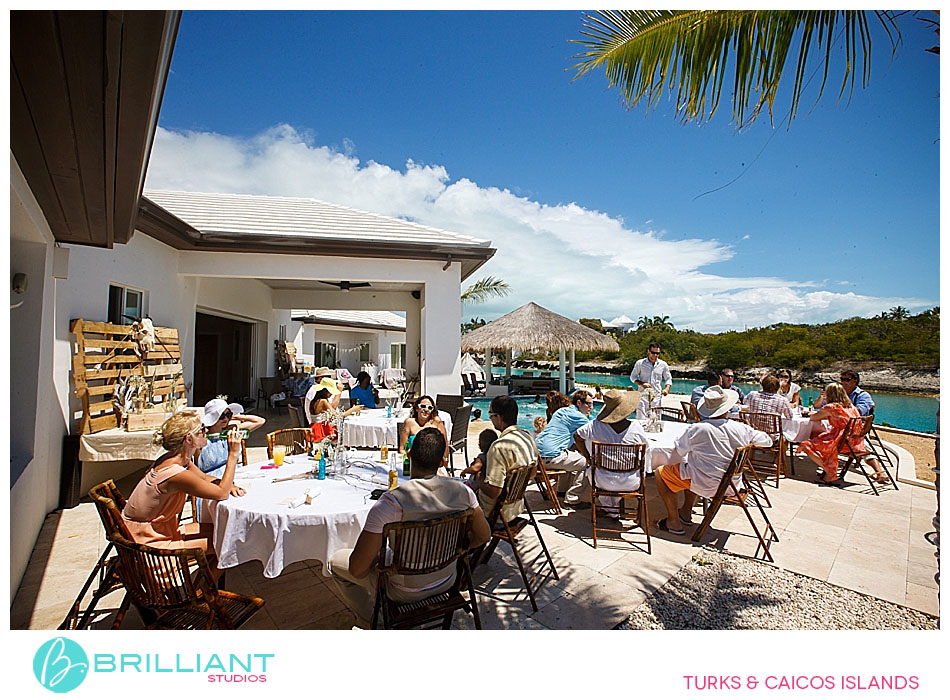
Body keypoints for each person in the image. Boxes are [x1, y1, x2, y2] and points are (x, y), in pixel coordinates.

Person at [328, 427, 491, 628]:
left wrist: (381, 560)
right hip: (447, 579)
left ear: (410, 455)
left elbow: (357, 568)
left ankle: (369, 621)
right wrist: (455, 551)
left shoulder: (392, 503)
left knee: (336, 562)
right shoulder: (463, 492)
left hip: (403, 589)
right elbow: (484, 535)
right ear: (442, 462)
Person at [121, 411, 246, 577]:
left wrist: (228, 484)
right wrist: (233, 454)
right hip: (150, 543)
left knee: (225, 530)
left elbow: (205, 478)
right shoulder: (176, 474)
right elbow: (221, 494)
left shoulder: (175, 460)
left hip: (157, 530)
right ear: (189, 439)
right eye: (201, 429)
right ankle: (201, 595)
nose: (206, 431)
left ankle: (204, 581)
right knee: (229, 542)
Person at [653, 386, 772, 534]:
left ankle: (673, 521)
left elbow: (680, 450)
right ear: (727, 408)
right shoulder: (741, 428)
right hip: (731, 484)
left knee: (661, 473)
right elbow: (768, 441)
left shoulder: (698, 429)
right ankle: (685, 511)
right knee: (690, 468)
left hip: (706, 483)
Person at [573, 389, 648, 514]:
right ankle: (612, 507)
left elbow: (577, 436)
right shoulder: (636, 427)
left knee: (591, 470)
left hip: (603, 480)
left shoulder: (595, 425)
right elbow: (646, 451)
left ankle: (609, 506)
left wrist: (587, 457)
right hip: (631, 482)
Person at [797, 382, 886, 484]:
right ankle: (828, 472)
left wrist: (817, 414)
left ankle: (829, 471)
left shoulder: (831, 407)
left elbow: (814, 418)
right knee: (819, 438)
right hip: (856, 442)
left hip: (841, 442)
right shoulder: (851, 407)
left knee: (806, 445)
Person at [476, 395, 539, 523]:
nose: (491, 419)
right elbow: (532, 473)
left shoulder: (499, 447)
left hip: (496, 513)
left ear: (499, 417)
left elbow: (494, 492)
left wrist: (479, 479)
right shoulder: (527, 437)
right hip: (515, 508)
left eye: (491, 415)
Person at [535, 389, 595, 507]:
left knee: (569, 454)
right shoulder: (579, 417)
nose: (591, 407)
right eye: (588, 404)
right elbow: (596, 430)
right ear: (579, 403)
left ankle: (561, 492)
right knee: (589, 464)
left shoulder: (561, 411)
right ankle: (573, 499)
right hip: (551, 456)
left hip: (537, 455)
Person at [196, 398, 265, 475]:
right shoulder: (202, 437)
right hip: (212, 479)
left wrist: (235, 416)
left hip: (236, 474)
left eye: (228, 415)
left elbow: (260, 421)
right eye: (221, 415)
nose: (225, 418)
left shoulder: (231, 431)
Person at [398, 395, 449, 462]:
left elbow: (445, 446)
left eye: (430, 407)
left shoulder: (436, 422)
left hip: (433, 463)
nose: (426, 410)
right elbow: (402, 449)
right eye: (423, 406)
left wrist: (444, 463)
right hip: (413, 462)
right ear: (417, 408)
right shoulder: (409, 423)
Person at [629, 342, 672, 419]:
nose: (655, 355)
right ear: (648, 351)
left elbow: (668, 378)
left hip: (657, 397)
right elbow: (633, 377)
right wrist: (642, 384)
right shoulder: (640, 363)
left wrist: (666, 389)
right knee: (640, 420)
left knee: (656, 421)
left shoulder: (663, 364)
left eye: (657, 353)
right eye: (653, 353)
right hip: (642, 396)